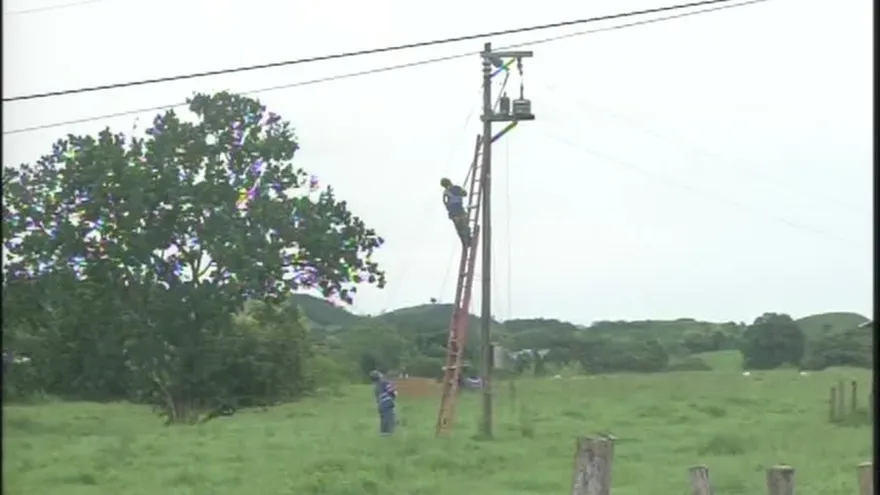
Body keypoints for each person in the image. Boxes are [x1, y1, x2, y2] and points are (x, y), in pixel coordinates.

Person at [440, 178, 470, 246]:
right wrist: (462, 191)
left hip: (454, 213)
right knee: (464, 226)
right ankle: (468, 240)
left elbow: (446, 203)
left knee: (460, 228)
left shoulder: (446, 192)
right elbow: (465, 194)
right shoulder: (456, 188)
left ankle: (465, 242)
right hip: (459, 211)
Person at [369, 370, 397, 436]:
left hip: (380, 404)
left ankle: (383, 433)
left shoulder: (375, 386)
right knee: (389, 418)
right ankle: (388, 434)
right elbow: (392, 391)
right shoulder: (385, 382)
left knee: (383, 419)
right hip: (387, 401)